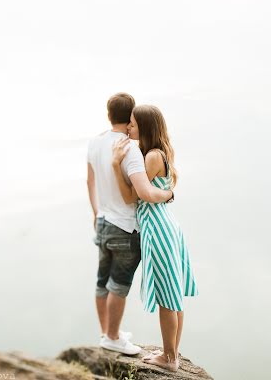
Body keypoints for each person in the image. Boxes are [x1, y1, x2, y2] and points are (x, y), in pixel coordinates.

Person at [112, 104, 198, 372]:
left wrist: (116, 166)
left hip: (157, 229)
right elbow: (164, 188)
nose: (129, 127)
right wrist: (167, 194)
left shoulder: (150, 157)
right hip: (167, 224)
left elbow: (134, 195)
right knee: (174, 294)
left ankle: (169, 359)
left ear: (145, 127)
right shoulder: (160, 153)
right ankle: (172, 354)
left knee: (166, 296)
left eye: (134, 124)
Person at [87, 93, 173, 356]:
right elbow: (145, 192)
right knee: (119, 285)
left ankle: (106, 333)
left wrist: (95, 212)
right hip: (126, 227)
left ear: (108, 114)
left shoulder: (95, 142)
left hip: (102, 220)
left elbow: (89, 182)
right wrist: (168, 194)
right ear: (130, 118)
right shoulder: (130, 150)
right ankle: (112, 337)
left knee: (102, 282)